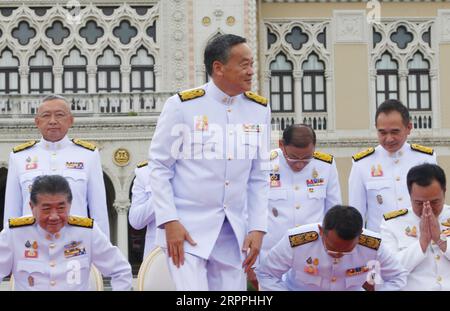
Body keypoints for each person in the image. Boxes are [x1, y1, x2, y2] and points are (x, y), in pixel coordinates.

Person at [148, 34, 271, 290]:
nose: (251, 72)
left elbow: (259, 176)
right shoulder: (182, 106)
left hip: (233, 232)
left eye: (252, 64)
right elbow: (159, 167)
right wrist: (169, 221)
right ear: (218, 68)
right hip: (186, 230)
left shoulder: (259, 110)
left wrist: (258, 227)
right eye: (244, 65)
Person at [0, 175, 132, 291]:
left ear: (70, 205)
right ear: (31, 207)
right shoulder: (15, 233)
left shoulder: (87, 232)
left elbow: (121, 270)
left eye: (61, 208)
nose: (54, 216)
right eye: (46, 209)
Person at [3, 95, 110, 237]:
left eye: (59, 115)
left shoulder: (88, 155)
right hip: (32, 248)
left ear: (71, 120)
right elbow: (11, 214)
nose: (53, 121)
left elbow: (99, 213)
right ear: (37, 121)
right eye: (46, 116)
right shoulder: (19, 157)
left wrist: (100, 256)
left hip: (76, 247)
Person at [252, 124, 342, 286]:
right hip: (272, 258)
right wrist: (252, 261)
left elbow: (334, 214)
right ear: (281, 145)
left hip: (313, 259)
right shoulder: (264, 164)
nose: (300, 164)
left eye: (307, 158)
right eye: (293, 157)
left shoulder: (326, 165)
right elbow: (251, 211)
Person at [255, 205, 407, 291]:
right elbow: (267, 274)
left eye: (347, 251)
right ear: (321, 232)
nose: (338, 255)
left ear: (360, 235)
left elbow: (398, 277)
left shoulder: (372, 245)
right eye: (332, 249)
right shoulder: (297, 241)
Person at [348, 99, 436, 232]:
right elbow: (356, 215)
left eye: (395, 132)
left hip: (417, 244)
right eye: (382, 132)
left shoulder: (426, 158)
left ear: (408, 128)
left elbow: (435, 206)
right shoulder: (362, 164)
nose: (389, 139)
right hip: (381, 246)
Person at [380, 163, 450, 290]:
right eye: (419, 203)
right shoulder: (392, 223)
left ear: (444, 192)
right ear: (410, 196)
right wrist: (422, 243)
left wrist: (440, 240)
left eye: (435, 202)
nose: (427, 208)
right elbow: (390, 270)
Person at [129, 160, 156, 258]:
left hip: (194, 250)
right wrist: (162, 190)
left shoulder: (196, 169)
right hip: (157, 256)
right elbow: (136, 221)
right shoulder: (145, 172)